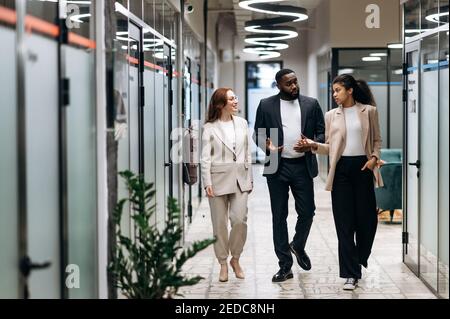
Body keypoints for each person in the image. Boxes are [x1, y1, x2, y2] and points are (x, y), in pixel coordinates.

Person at [299, 74, 383, 290]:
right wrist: (312, 145)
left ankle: (359, 257)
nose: (334, 94)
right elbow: (330, 147)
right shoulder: (331, 116)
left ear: (350, 90)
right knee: (344, 225)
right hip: (342, 172)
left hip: (364, 169)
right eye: (333, 91)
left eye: (338, 90)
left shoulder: (369, 111)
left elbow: (376, 140)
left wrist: (374, 158)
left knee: (367, 222)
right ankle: (350, 273)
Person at [253, 69, 325, 282]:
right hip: (277, 165)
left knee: (307, 212)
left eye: (295, 82)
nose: (294, 86)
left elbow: (322, 132)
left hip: (303, 166)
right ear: (278, 86)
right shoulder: (266, 105)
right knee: (279, 216)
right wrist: (266, 144)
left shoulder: (311, 104)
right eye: (288, 84)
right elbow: (258, 133)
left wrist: (312, 143)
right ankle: (285, 266)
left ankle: (298, 245)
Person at [201, 88, 253, 282]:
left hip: (241, 179)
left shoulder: (242, 123)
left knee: (240, 220)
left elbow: (247, 151)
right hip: (217, 180)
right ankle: (223, 263)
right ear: (220, 104)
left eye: (235, 97)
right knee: (219, 224)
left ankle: (236, 259)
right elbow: (205, 158)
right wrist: (207, 182)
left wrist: (250, 177)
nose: (235, 101)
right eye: (231, 99)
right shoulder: (209, 127)